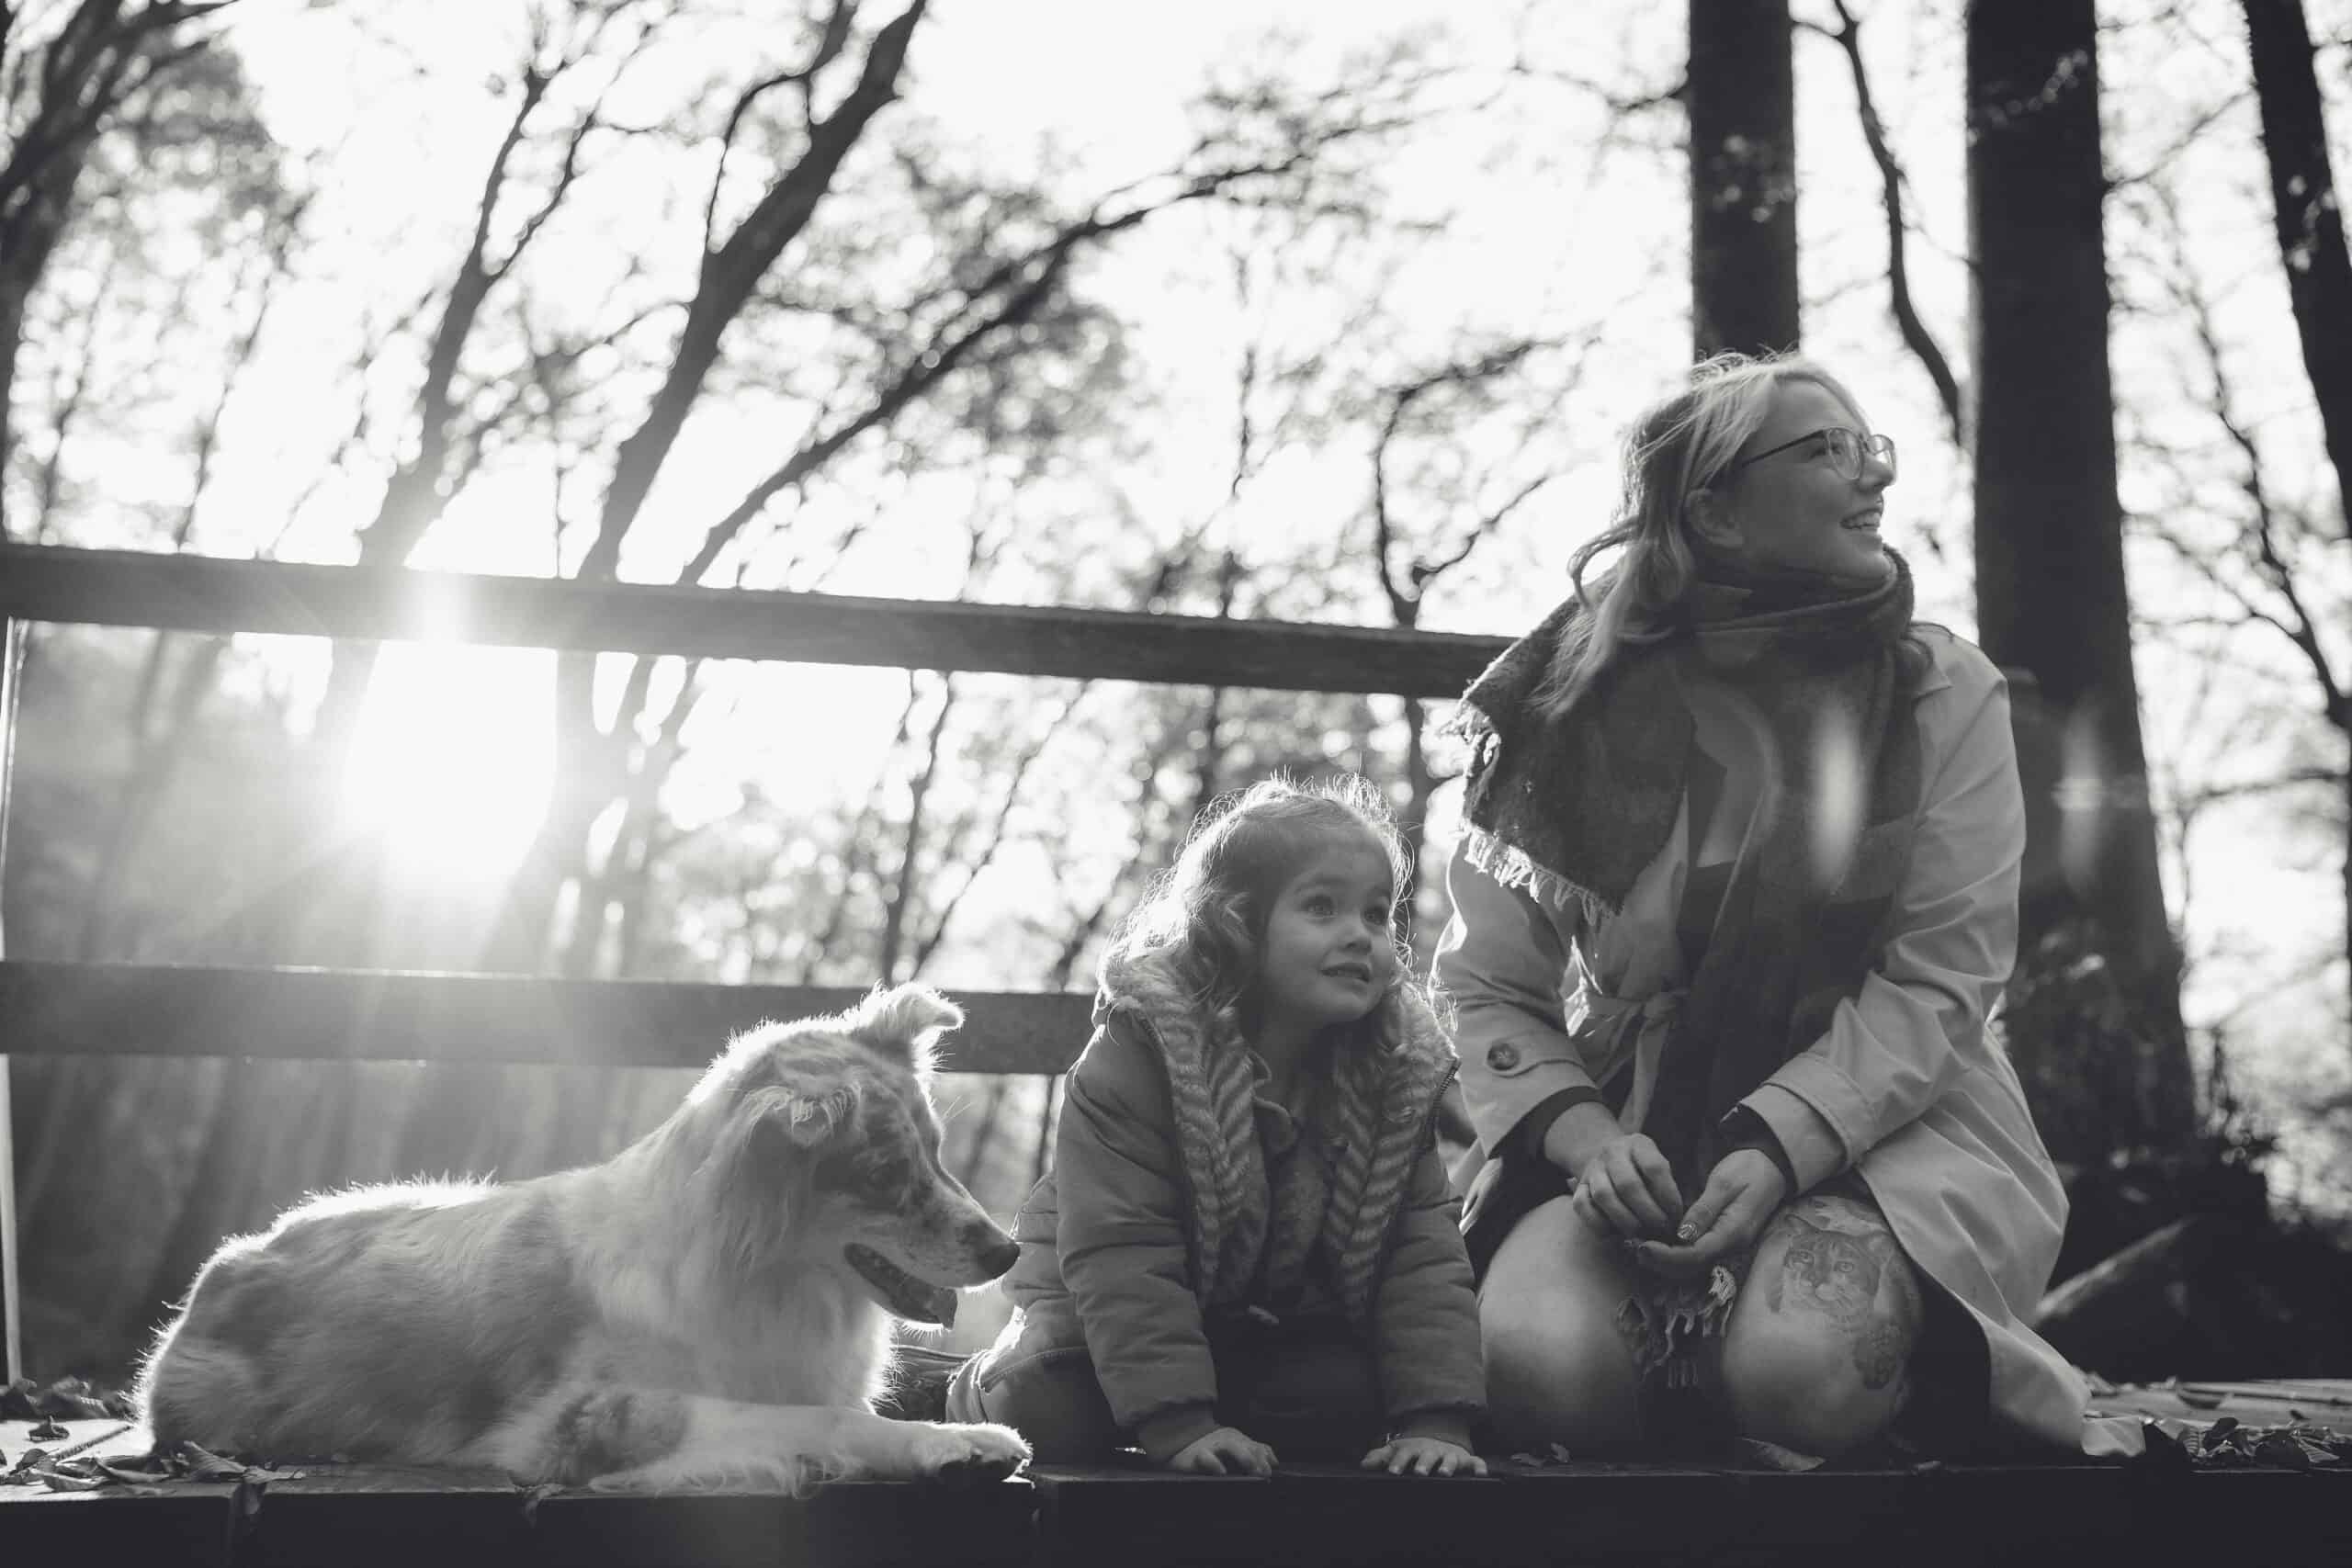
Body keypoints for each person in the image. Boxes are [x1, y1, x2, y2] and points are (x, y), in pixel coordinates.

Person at [1437, 350, 2090, 1461]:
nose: (1871, 475)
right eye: (1825, 450)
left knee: (1798, 1375)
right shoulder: (1561, 703)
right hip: (1626, 1126)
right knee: (1540, 1373)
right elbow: (1486, 984)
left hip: (1894, 1125)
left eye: (1870, 445)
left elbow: (1943, 976)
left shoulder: (1941, 691)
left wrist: (1776, 1146)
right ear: (1714, 510)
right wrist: (1590, 1142)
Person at [948, 774, 1487, 1475]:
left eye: (1377, 914)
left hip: (1256, 1326)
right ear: (1235, 923)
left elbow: (1422, 1250)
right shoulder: (1141, 1055)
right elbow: (1122, 1250)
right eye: (1322, 907)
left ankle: (1213, 1402)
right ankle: (972, 1387)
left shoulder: (1391, 1069)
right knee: (1050, 1408)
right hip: (1089, 1311)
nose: (1360, 935)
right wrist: (1180, 1425)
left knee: (1343, 1406)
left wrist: (1436, 1420)